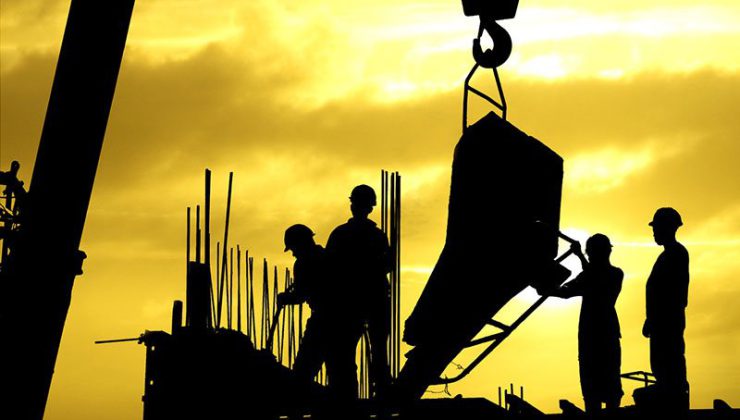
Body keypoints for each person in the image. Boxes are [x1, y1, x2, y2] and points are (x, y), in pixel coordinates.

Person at [326, 184, 392, 400]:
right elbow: (387, 265)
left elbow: (329, 268)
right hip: (371, 298)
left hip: (352, 301)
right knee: (376, 351)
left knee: (347, 352)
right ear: (371, 208)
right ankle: (380, 394)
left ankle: (351, 398)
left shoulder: (340, 234)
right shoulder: (377, 236)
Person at [277, 224, 359, 400]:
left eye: (293, 248)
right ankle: (348, 405)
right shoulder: (331, 257)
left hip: (324, 321)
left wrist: (285, 298)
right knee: (342, 368)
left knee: (304, 369)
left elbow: (301, 295)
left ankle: (299, 404)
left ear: (301, 243)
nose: (293, 253)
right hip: (346, 320)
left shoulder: (303, 264)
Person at [551, 234, 623, 413]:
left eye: (590, 253)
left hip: (599, 334)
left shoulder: (614, 274)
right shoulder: (594, 274)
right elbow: (566, 291)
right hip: (595, 334)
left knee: (608, 382)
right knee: (592, 385)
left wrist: (579, 256)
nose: (590, 257)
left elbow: (595, 279)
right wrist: (549, 289)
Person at [642, 207, 690, 410]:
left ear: (668, 228)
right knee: (662, 365)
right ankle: (669, 396)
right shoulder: (669, 255)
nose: (654, 232)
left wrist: (656, 319)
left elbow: (672, 293)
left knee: (669, 363)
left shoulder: (676, 254)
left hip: (667, 322)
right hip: (662, 321)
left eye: (657, 228)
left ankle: (673, 402)